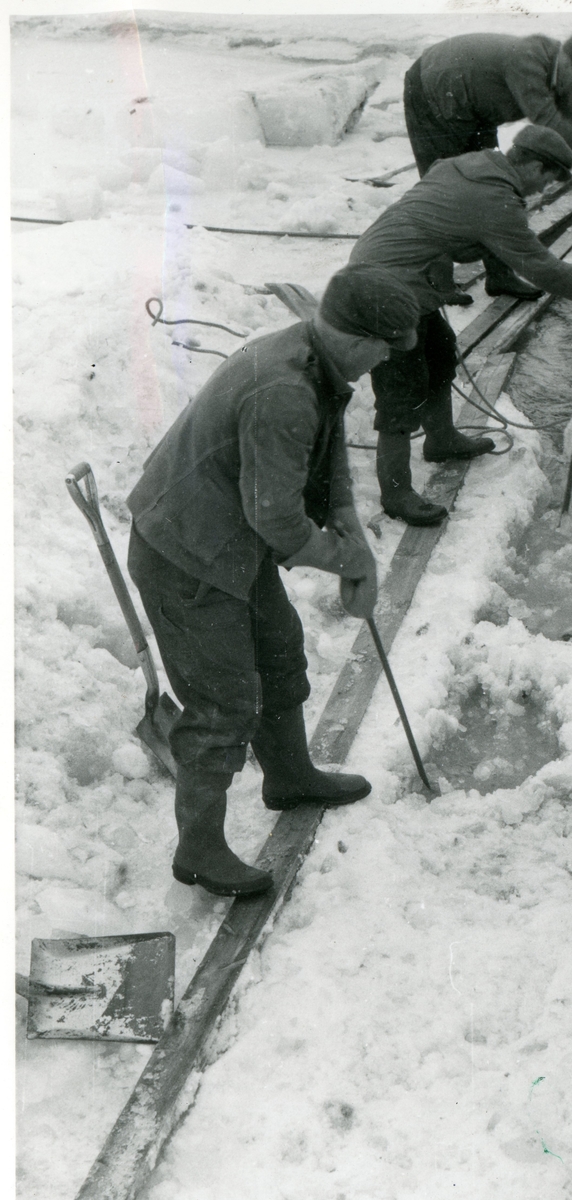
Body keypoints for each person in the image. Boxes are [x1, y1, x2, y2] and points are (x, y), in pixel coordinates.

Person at [126, 266, 421, 898]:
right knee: (223, 701)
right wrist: (345, 563)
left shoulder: (317, 361)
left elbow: (330, 457)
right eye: (383, 349)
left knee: (279, 652)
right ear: (357, 338)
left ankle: (287, 776)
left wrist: (355, 543)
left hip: (229, 539)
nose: (382, 363)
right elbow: (278, 518)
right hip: (186, 552)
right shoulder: (283, 388)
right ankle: (199, 850)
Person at [349, 124, 572, 527]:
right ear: (532, 164)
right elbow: (538, 264)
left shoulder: (471, 163)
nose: (545, 189)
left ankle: (440, 440)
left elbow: (449, 222)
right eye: (548, 177)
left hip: (400, 274)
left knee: (440, 351)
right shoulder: (496, 200)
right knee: (400, 392)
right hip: (383, 289)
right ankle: (397, 493)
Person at [404, 31, 572, 298]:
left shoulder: (558, 76)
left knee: (497, 185)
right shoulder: (527, 60)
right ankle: (438, 285)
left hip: (473, 108)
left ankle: (500, 276)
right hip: (430, 94)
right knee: (444, 191)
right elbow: (545, 118)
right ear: (571, 64)